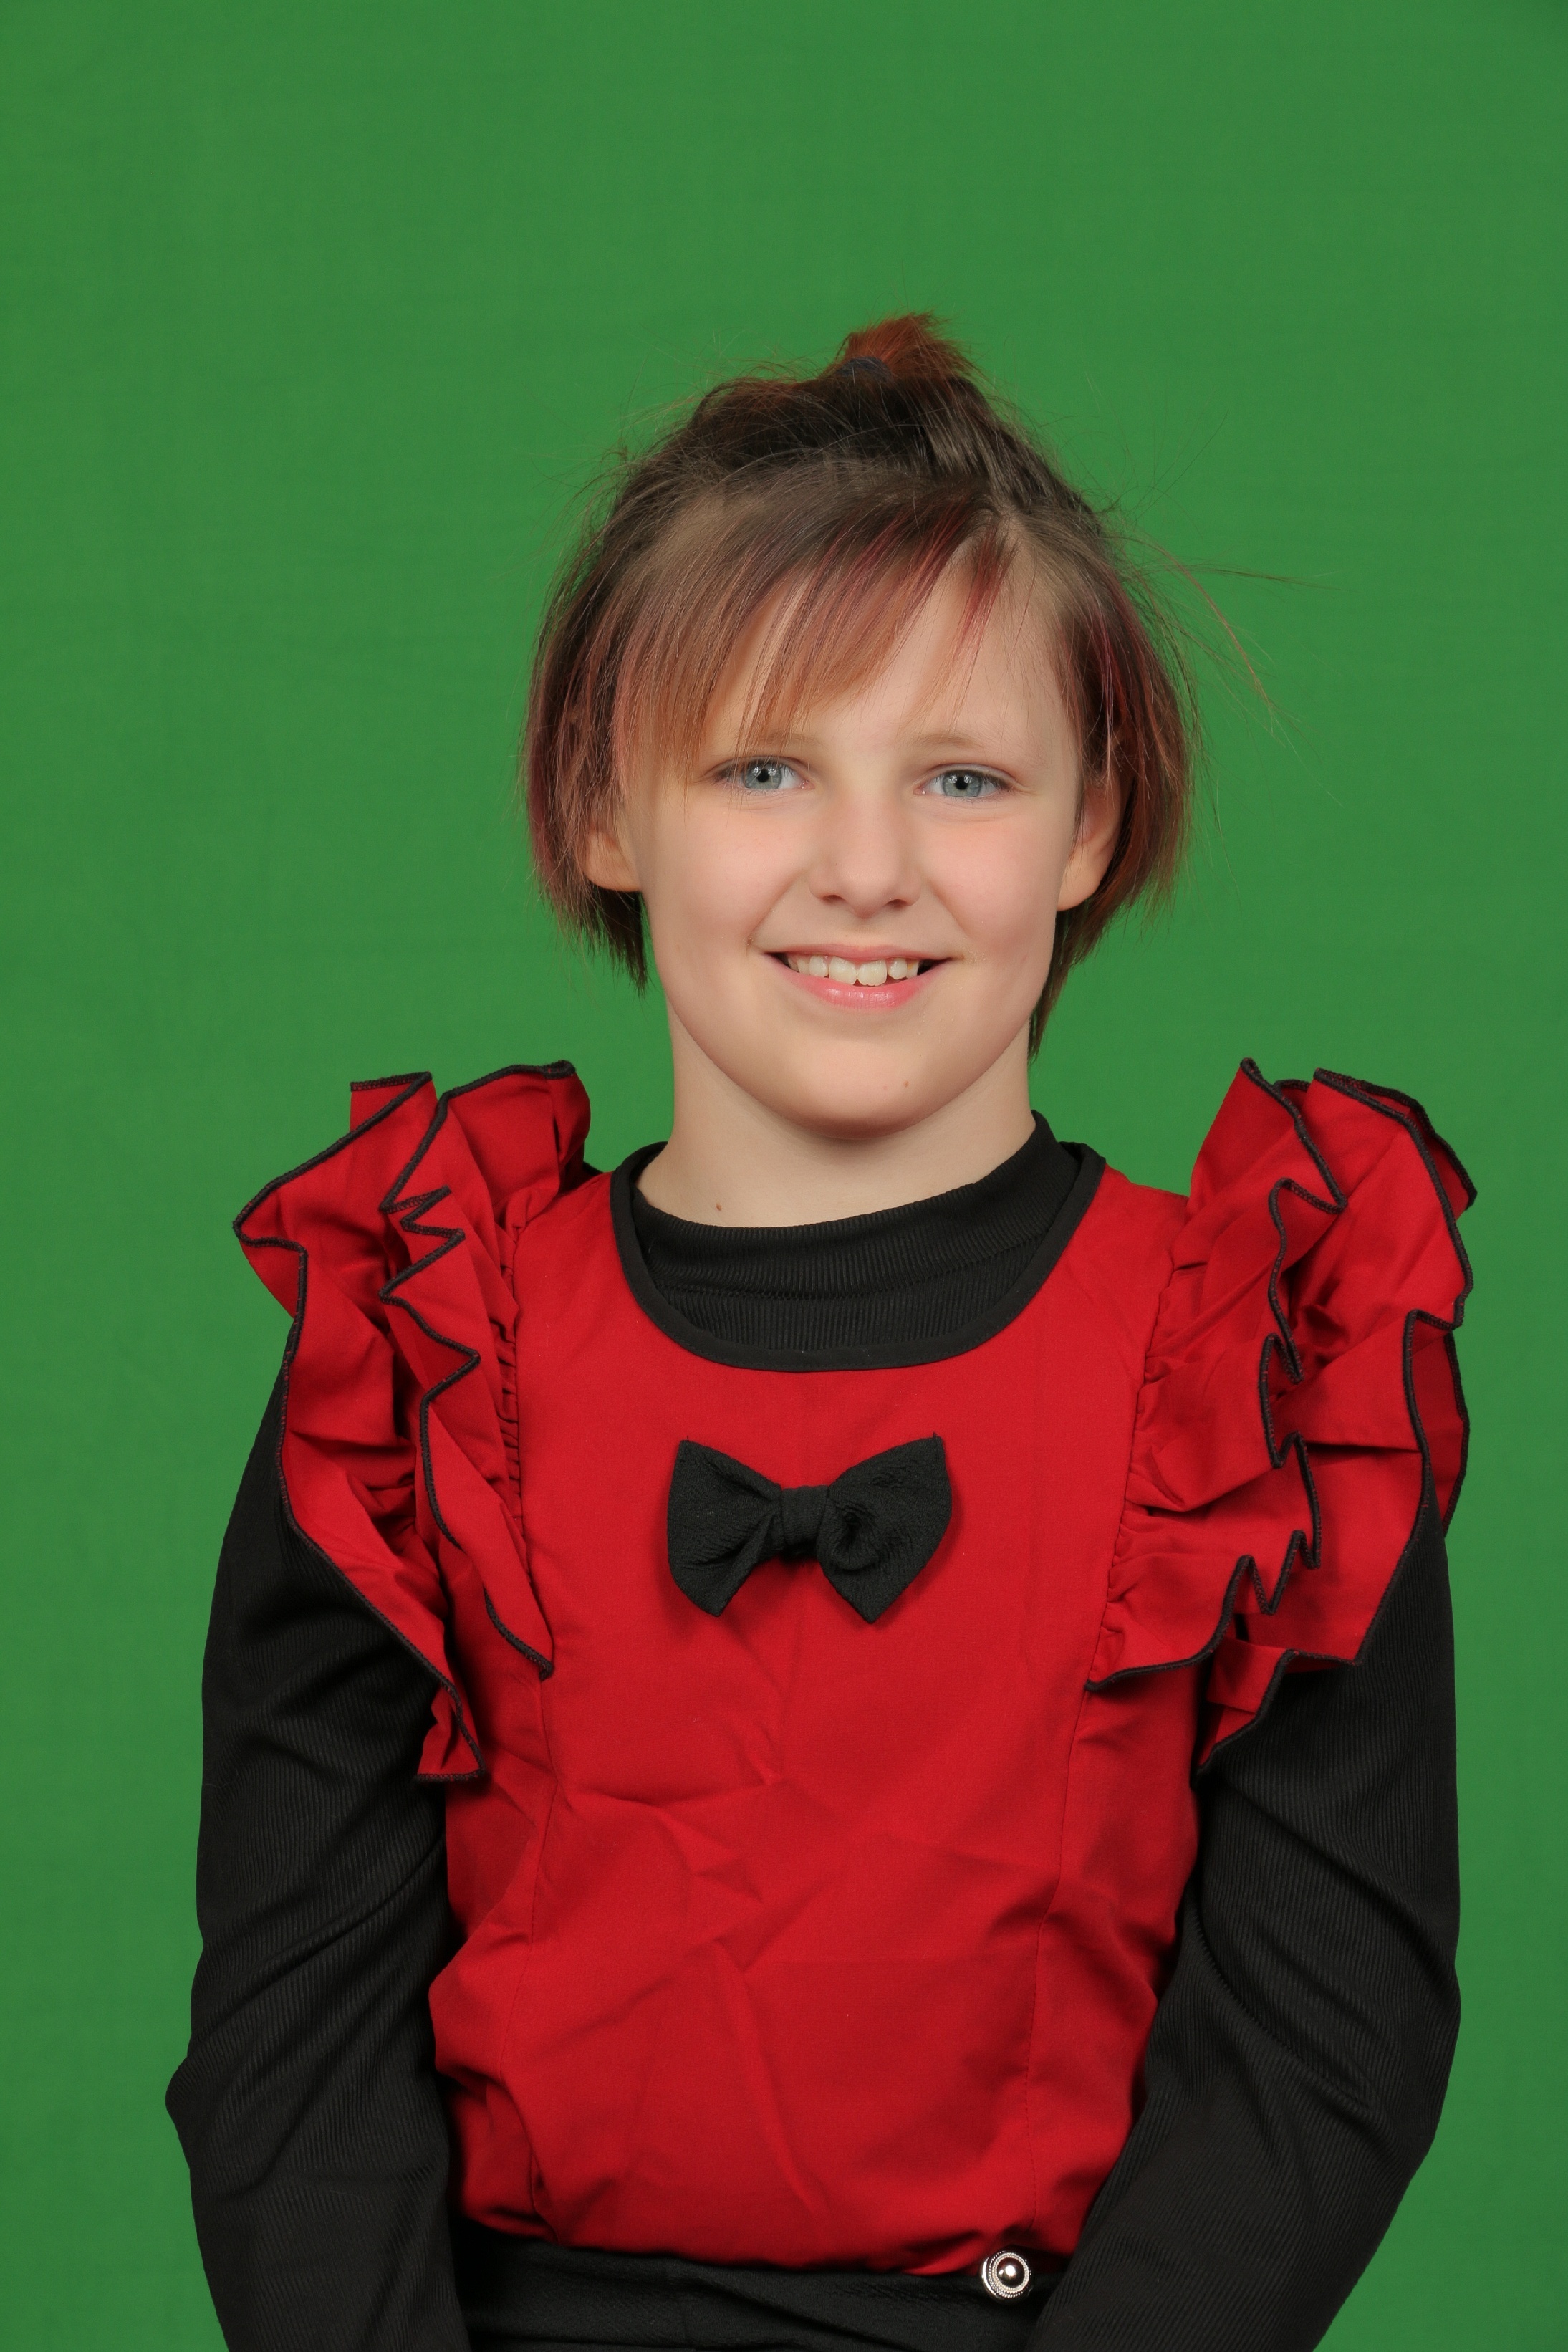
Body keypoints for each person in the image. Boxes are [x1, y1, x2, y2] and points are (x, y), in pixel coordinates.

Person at [167, 315, 1473, 2352]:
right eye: (766, 768)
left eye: (963, 777)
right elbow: (293, 2031)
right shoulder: (424, 1352)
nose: (867, 868)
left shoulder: (1266, 1362)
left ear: (1091, 824)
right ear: (606, 807)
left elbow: (1324, 2042)